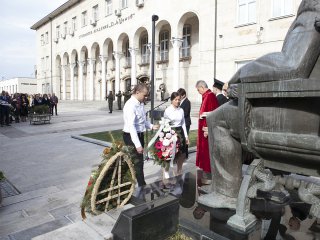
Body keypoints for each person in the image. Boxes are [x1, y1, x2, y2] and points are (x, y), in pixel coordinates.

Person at [205, 0, 320, 208]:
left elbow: (292, 65)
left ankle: (226, 192)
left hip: (303, 119)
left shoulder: (314, 11)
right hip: (309, 114)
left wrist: (240, 75)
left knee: (218, 118)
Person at [122, 83, 159, 187]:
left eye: (147, 95)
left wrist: (151, 126)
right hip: (131, 136)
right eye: (145, 95)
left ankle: (138, 182)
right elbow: (132, 126)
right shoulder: (130, 105)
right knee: (137, 162)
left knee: (139, 161)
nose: (146, 97)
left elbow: (142, 121)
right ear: (137, 92)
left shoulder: (140, 103)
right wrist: (138, 145)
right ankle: (142, 185)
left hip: (139, 135)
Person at [195, 80, 219, 184]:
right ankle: (206, 173)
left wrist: (207, 127)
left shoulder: (210, 96)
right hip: (203, 131)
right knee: (205, 152)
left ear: (202, 87)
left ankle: (209, 175)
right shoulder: (206, 96)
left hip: (207, 131)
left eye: (198, 89)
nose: (198, 91)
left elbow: (216, 112)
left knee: (207, 153)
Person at [163, 92, 189, 177]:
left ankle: (179, 170)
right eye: (176, 99)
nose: (178, 101)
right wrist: (168, 135)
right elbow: (165, 124)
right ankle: (166, 171)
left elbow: (183, 124)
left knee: (181, 153)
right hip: (170, 131)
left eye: (179, 100)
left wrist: (186, 136)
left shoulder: (181, 110)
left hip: (180, 131)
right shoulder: (168, 110)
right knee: (169, 153)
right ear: (171, 100)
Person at [177, 88, 191, 158]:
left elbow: (186, 113)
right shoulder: (181, 101)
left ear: (183, 95)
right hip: (181, 123)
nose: (179, 97)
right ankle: (181, 153)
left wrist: (179, 114)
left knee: (185, 138)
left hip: (186, 123)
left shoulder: (187, 102)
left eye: (180, 95)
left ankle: (185, 154)